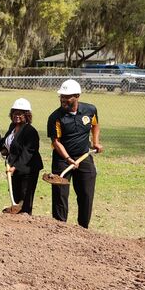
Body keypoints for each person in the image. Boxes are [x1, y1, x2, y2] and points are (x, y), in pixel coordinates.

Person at [47, 79, 104, 228]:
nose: (63, 99)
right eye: (62, 96)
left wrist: (95, 142)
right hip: (62, 160)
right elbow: (56, 142)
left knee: (86, 194)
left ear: (77, 96)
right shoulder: (55, 117)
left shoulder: (90, 110)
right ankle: (60, 228)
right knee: (60, 195)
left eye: (67, 97)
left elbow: (95, 125)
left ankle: (83, 229)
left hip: (84, 157)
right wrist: (68, 159)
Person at [3, 98, 43, 215]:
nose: (17, 115)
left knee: (25, 199)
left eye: (20, 113)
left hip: (27, 170)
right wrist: (4, 149)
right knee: (15, 197)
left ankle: (26, 224)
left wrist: (15, 167)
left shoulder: (30, 131)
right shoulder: (12, 127)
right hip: (14, 169)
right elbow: (9, 142)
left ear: (27, 115)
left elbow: (28, 152)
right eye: (15, 112)